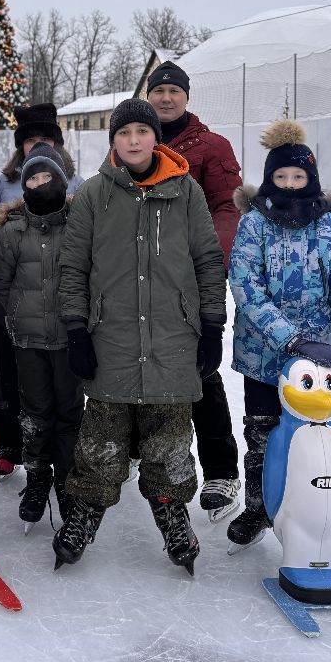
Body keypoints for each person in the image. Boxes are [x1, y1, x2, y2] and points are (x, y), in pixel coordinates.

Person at [52, 99, 226, 575]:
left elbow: (208, 261)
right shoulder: (92, 194)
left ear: (156, 138)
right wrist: (76, 330)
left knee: (169, 442)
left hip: (174, 337)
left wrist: (213, 325)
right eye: (124, 132)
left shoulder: (186, 192)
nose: (133, 140)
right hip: (112, 339)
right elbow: (74, 268)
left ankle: (173, 516)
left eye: (142, 132)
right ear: (113, 140)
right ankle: (83, 517)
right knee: (100, 443)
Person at [225, 119, 331, 552]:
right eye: (281, 177)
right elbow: (245, 285)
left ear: (312, 179)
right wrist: (288, 339)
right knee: (262, 433)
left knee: (313, 433)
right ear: (270, 179)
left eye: (298, 177)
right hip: (264, 356)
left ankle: (313, 504)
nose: (289, 184)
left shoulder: (329, 228)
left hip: (317, 360)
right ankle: (257, 506)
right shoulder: (255, 225)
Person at [143, 60, 244, 521]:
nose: (165, 98)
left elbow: (229, 207)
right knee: (137, 361)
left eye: (173, 90)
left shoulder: (212, 147)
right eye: (158, 90)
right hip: (140, 280)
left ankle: (222, 469)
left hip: (191, 279)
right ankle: (143, 455)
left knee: (200, 370)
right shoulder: (134, 140)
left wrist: (208, 259)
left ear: (186, 96)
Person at [0, 102, 84, 477]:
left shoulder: (73, 179)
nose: (38, 145)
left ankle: (63, 452)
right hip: (19, 294)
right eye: (30, 140)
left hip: (60, 299)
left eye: (46, 138)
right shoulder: (6, 181)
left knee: (61, 383)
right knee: (11, 371)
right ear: (19, 146)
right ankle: (9, 444)